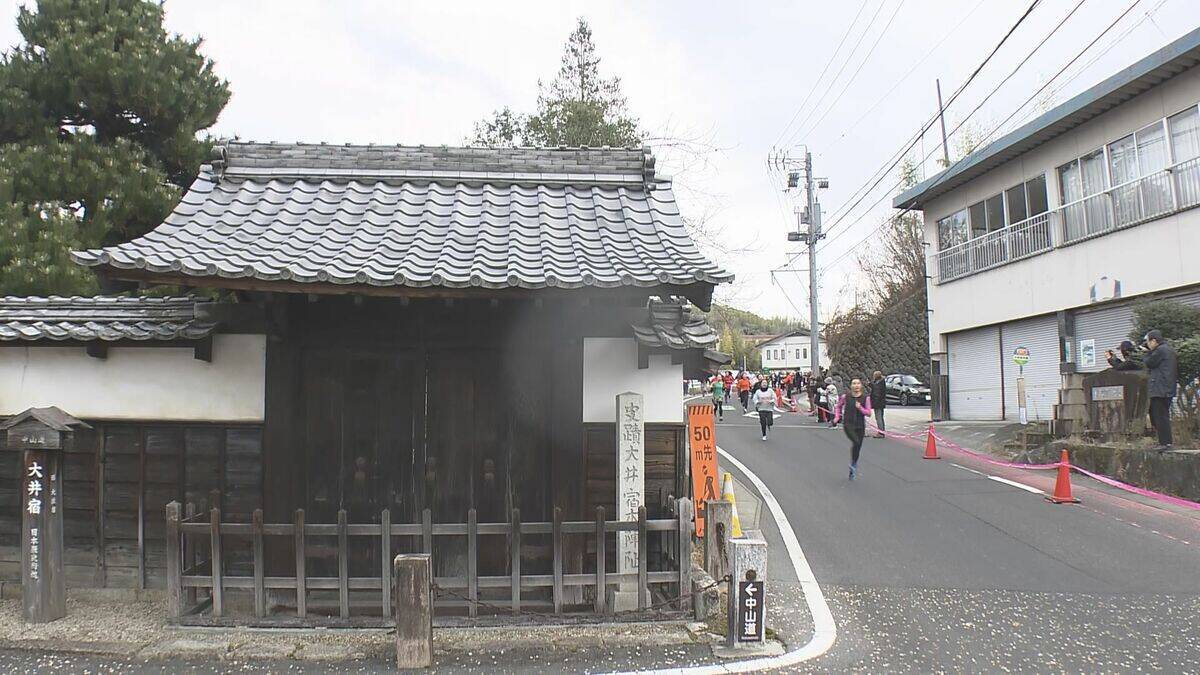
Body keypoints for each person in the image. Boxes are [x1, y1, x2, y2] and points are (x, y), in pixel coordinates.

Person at [1143, 330, 1178, 452]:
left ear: (1154, 341)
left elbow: (1149, 363)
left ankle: (1165, 443)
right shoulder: (1168, 349)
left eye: (1148, 342)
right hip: (1165, 388)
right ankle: (1165, 442)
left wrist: (1147, 353)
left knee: (1160, 416)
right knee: (1161, 416)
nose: (1148, 344)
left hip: (1160, 389)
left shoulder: (1160, 350)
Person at [833, 378, 873, 480]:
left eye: (858, 383)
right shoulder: (846, 397)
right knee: (856, 441)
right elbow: (838, 407)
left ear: (861, 386)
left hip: (860, 425)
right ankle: (853, 466)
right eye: (854, 383)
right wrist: (837, 417)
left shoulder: (866, 398)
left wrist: (860, 408)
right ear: (851, 386)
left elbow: (869, 413)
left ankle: (853, 465)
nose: (856, 385)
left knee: (858, 447)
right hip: (848, 424)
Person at [869, 370, 887, 438]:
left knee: (878, 418)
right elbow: (874, 386)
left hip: (878, 403)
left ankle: (880, 433)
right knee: (881, 418)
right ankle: (882, 431)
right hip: (881, 403)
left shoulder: (878, 383)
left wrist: (874, 403)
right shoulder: (881, 382)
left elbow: (876, 393)